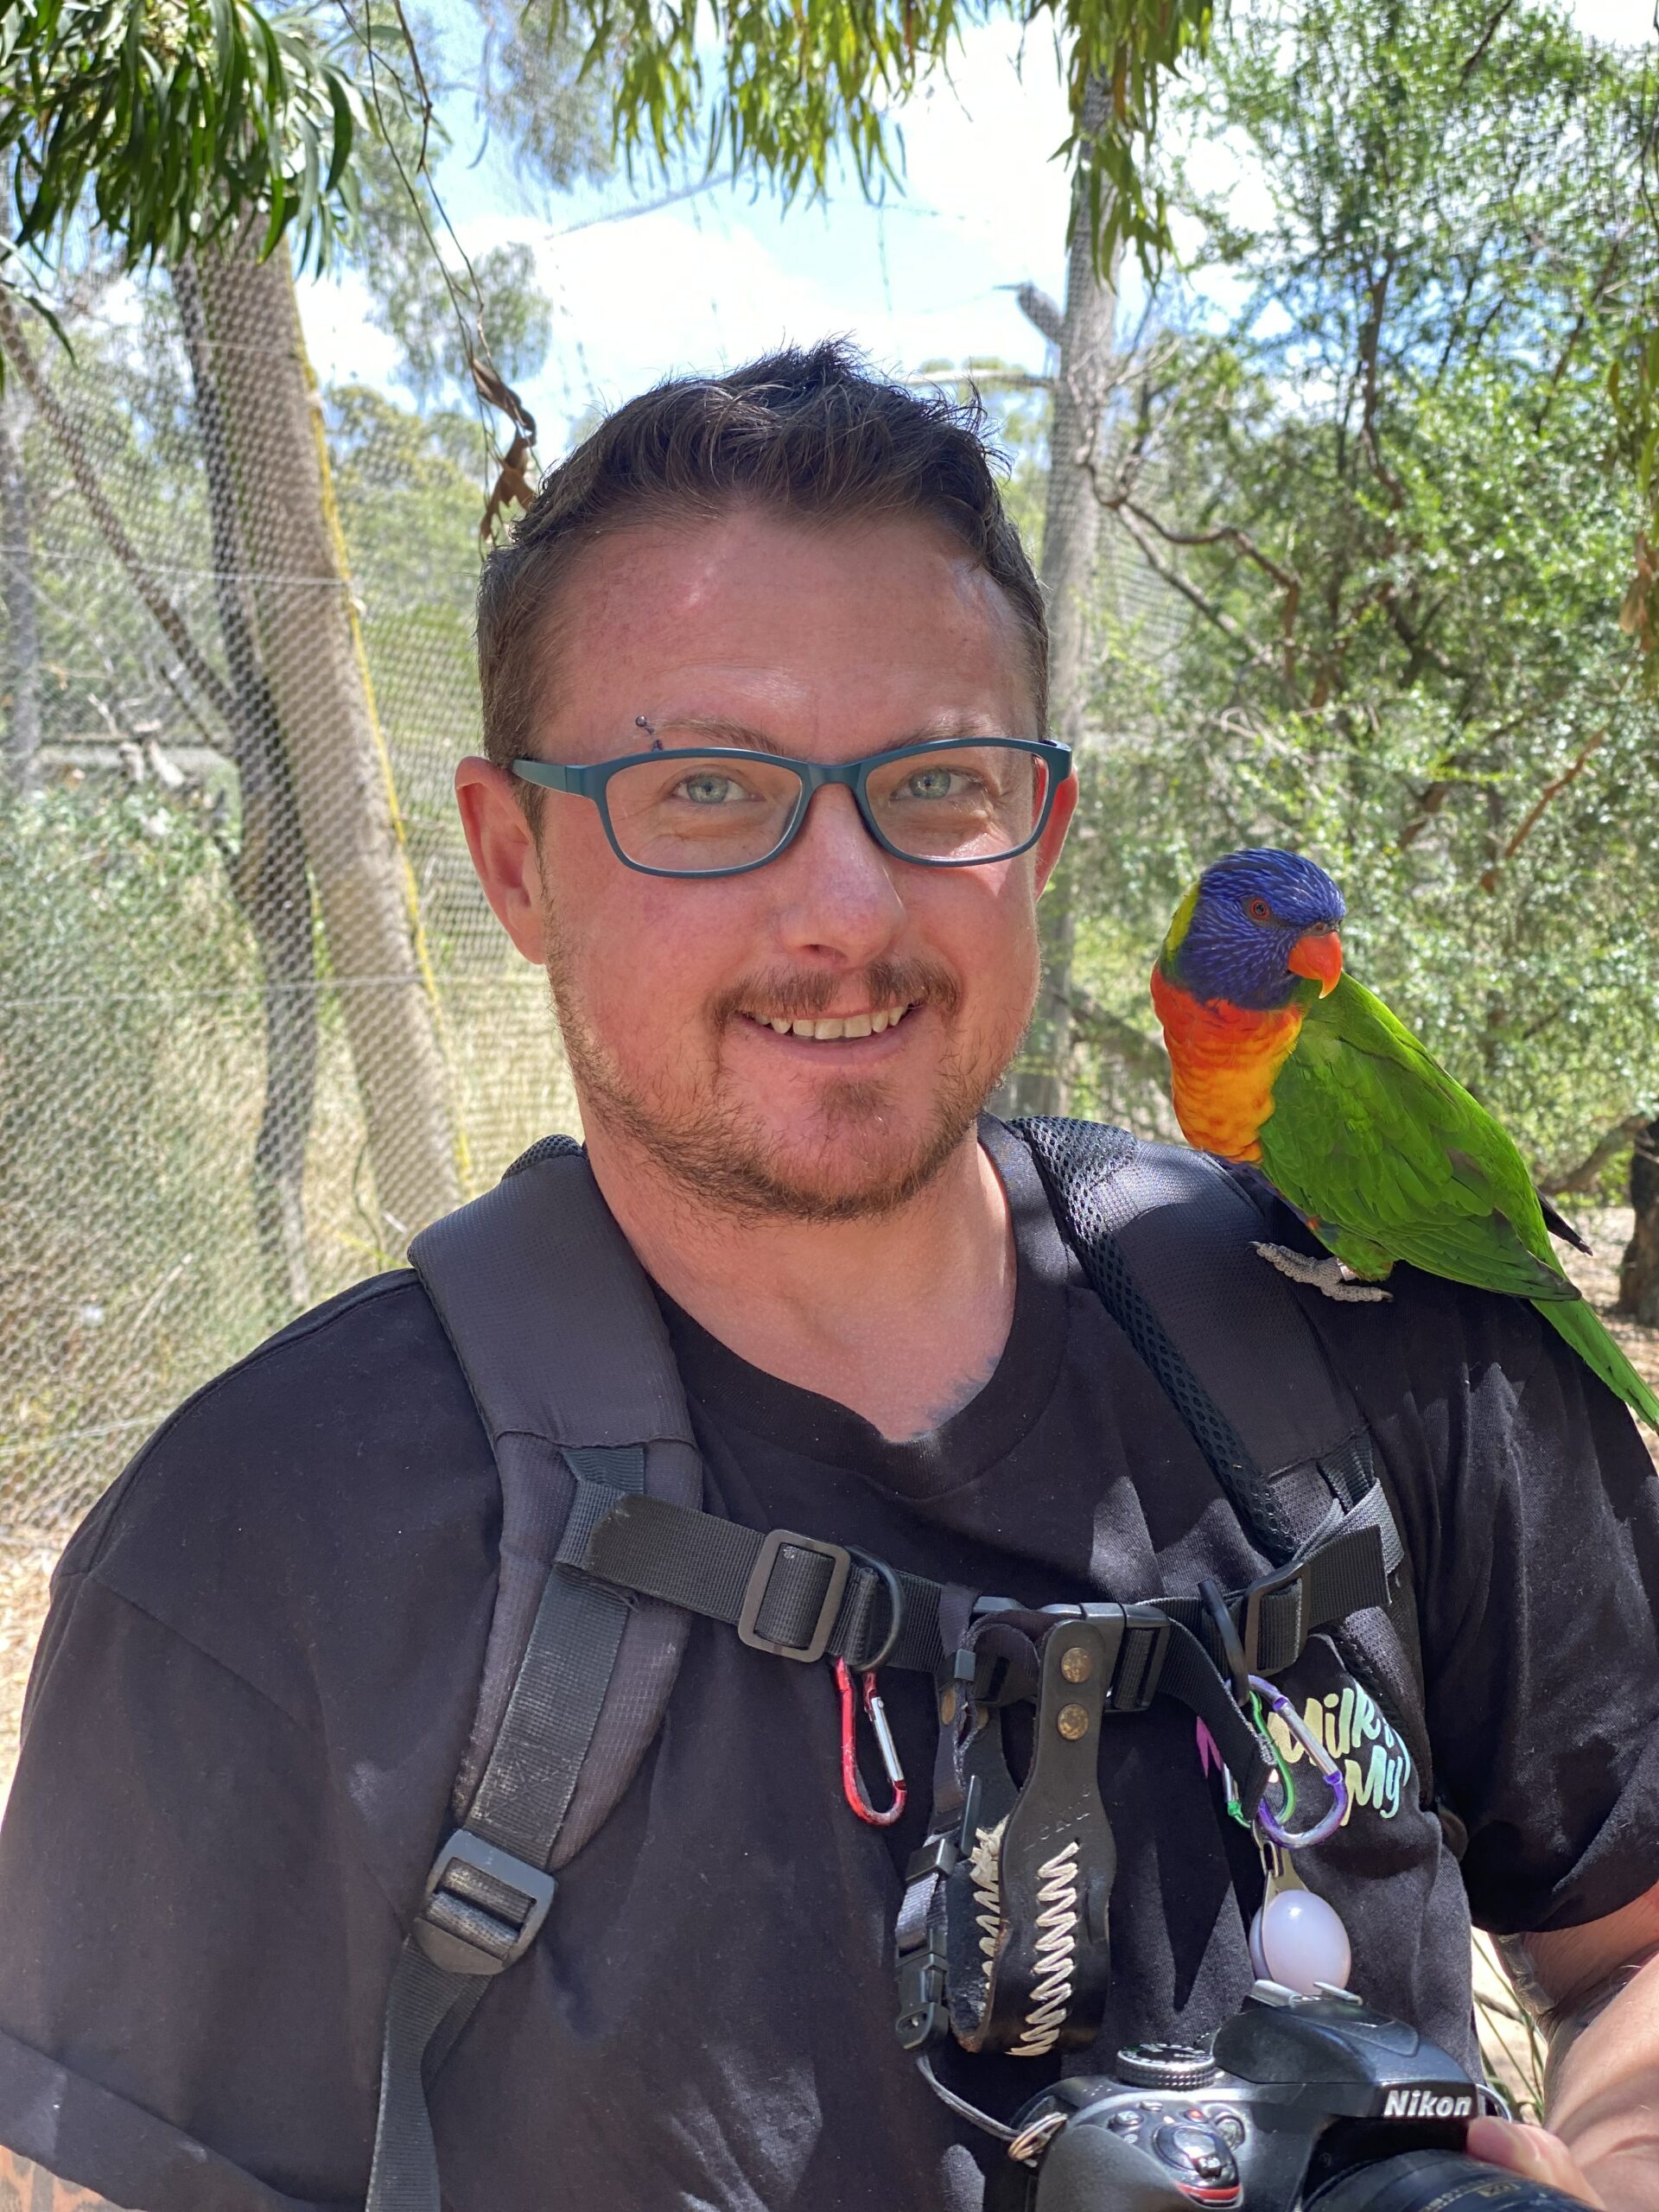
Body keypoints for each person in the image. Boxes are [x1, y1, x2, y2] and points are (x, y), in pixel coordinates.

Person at [2, 342, 1657, 2212]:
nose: (846, 907)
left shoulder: (1398, 1358)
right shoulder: (264, 1555)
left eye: (936, 780)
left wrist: (1609, 2150)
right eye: (706, 788)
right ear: (511, 857)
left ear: (1042, 835)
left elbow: (1635, 1931)